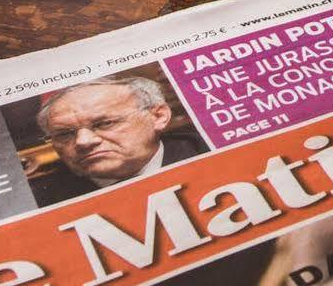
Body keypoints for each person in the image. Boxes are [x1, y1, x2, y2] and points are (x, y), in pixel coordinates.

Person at [29, 73, 206, 206]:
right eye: (64, 134)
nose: (83, 141)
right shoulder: (38, 200)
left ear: (158, 116)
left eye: (105, 123)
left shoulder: (206, 151)